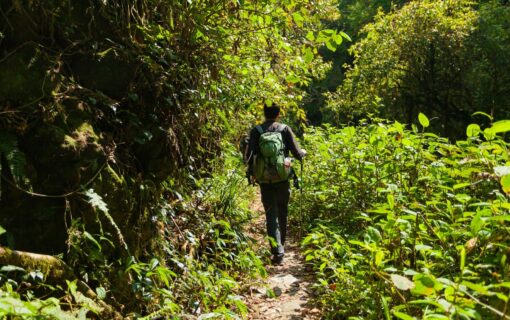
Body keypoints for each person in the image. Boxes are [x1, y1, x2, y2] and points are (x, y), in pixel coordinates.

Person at [247, 104, 306, 265]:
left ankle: (277, 250)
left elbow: (249, 155)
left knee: (270, 214)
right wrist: (302, 154)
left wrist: (252, 172)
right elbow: (296, 152)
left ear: (264, 113)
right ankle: (282, 245)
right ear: (279, 114)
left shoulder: (256, 131)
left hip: (264, 180)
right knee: (283, 211)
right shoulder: (285, 129)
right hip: (282, 178)